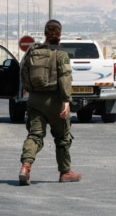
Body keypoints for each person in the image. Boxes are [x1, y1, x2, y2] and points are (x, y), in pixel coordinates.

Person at [18, 19, 81, 186]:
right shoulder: (61, 54)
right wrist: (67, 102)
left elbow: (23, 71)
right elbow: (65, 78)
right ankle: (65, 171)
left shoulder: (33, 51)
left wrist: (30, 91)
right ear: (59, 34)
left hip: (35, 99)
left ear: (45, 33)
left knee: (35, 135)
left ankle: (25, 166)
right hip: (55, 101)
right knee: (62, 137)